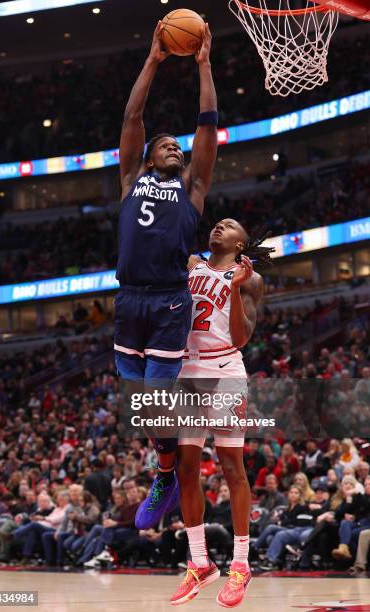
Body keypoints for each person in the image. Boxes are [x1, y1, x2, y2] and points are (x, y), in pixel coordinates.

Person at [114, 21, 218, 529]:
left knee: (154, 404)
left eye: (177, 146)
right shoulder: (131, 178)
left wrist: (203, 65)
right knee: (140, 407)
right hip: (128, 299)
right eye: (165, 145)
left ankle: (166, 472)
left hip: (170, 302)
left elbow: (206, 124)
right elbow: (133, 114)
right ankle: (168, 466)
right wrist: (154, 59)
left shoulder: (193, 188)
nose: (174, 148)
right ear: (148, 156)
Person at [170, 219, 273, 607]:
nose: (219, 227)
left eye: (229, 227)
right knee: (185, 468)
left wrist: (231, 289)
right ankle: (199, 562)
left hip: (224, 369)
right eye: (216, 224)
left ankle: (241, 566)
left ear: (241, 242)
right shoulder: (192, 263)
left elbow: (242, 337)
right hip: (187, 371)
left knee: (232, 466)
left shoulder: (250, 278)